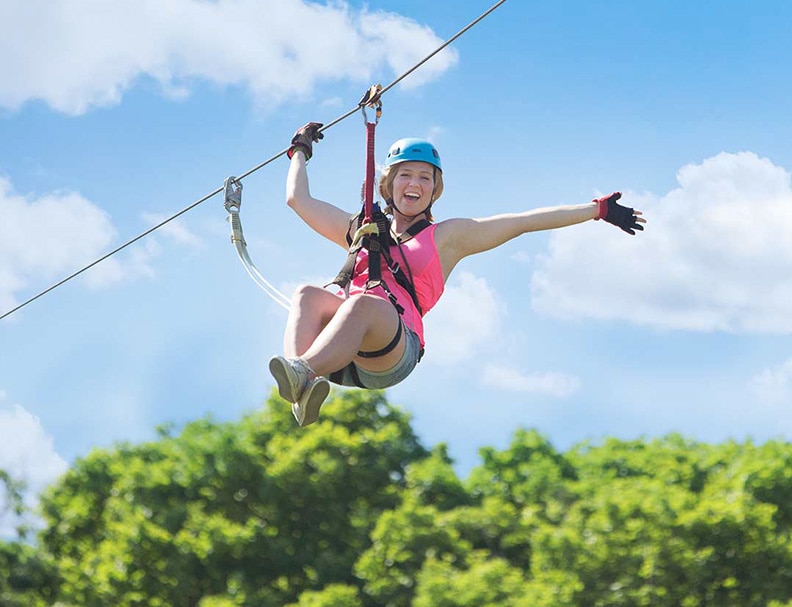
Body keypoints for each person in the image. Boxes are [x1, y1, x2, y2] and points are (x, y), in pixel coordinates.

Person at [269, 122, 646, 426]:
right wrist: (299, 151)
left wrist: (596, 210)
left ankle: (305, 372)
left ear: (435, 190)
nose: (414, 184)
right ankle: (301, 386)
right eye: (405, 175)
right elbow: (297, 200)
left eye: (425, 178)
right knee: (306, 293)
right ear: (388, 184)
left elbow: (523, 222)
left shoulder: (447, 237)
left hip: (394, 350)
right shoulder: (363, 231)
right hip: (342, 353)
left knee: (361, 305)